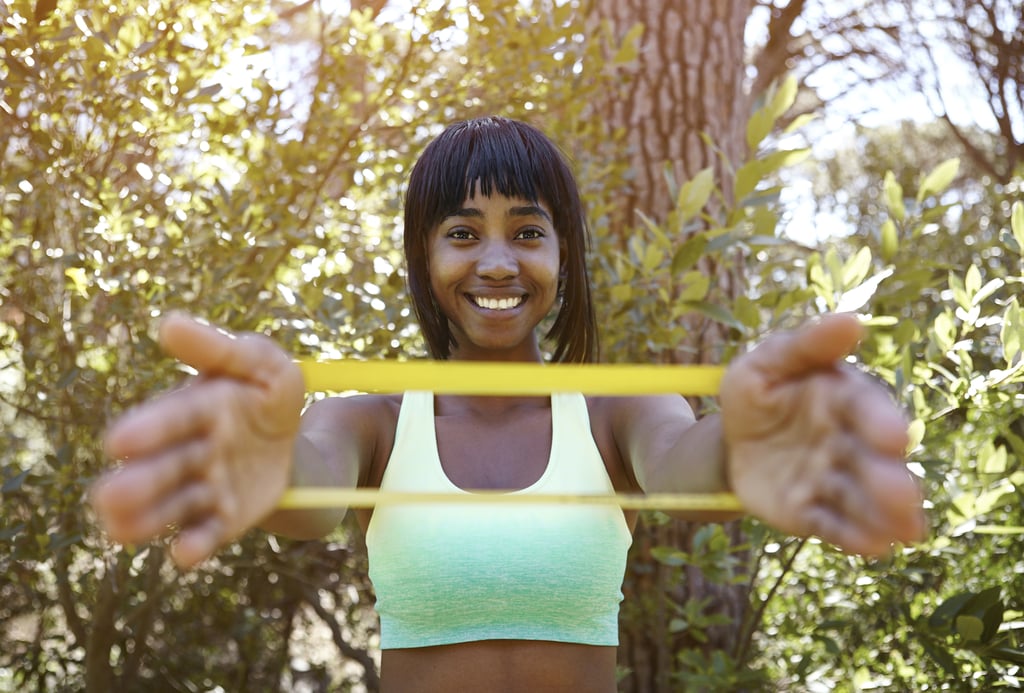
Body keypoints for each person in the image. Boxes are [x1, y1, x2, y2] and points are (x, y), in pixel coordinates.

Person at [91, 116, 925, 692]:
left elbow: (689, 469)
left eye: (527, 232)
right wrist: (255, 451)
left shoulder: (618, 417)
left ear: (563, 256)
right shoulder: (371, 423)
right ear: (425, 258)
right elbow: (302, 490)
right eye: (462, 233)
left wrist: (757, 431)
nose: (496, 261)